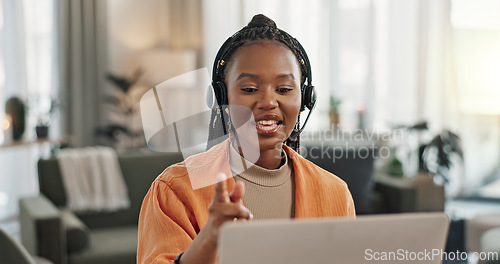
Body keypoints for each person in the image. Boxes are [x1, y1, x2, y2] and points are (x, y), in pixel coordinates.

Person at [137, 14, 355, 264]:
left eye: (284, 89)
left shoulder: (335, 194)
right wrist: (209, 241)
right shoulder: (174, 190)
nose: (268, 102)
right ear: (223, 98)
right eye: (250, 89)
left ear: (306, 99)